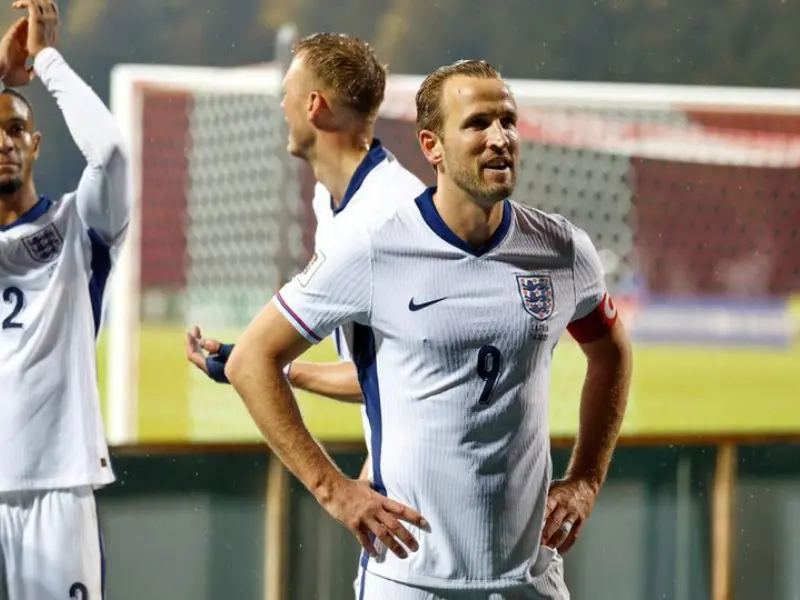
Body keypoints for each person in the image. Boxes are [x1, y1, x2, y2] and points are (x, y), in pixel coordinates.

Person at [224, 58, 633, 600]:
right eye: (478, 123)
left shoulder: (561, 249)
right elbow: (251, 360)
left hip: (529, 580)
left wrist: (586, 479)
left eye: (508, 121)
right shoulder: (374, 249)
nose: (499, 138)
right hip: (410, 580)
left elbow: (611, 352)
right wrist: (334, 491)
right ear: (432, 146)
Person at [184, 32, 425, 481]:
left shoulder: (387, 219)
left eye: (287, 94)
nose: (282, 106)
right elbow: (384, 374)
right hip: (402, 480)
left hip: (436, 491)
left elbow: (434, 375)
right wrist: (284, 367)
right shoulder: (333, 199)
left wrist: (338, 492)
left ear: (313, 104)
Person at [0, 1, 130, 598]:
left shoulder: (80, 226)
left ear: (36, 142)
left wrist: (45, 60)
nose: (5, 142)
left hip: (57, 486)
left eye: (14, 130)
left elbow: (111, 154)